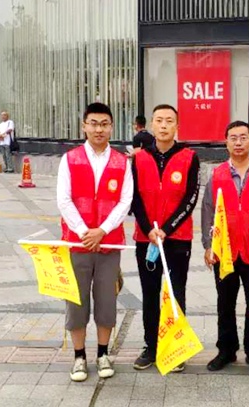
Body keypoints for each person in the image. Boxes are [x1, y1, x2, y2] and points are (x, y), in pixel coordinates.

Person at [57, 102, 134, 382]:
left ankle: (103, 354)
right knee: (76, 301)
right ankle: (79, 357)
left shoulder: (122, 162)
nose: (99, 129)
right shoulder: (70, 159)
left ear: (111, 127)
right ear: (84, 126)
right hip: (77, 244)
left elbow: (125, 201)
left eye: (104, 124)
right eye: (93, 123)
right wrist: (84, 231)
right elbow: (63, 200)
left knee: (106, 301)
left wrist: (101, 230)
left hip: (109, 244)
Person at [201, 121, 249, 376]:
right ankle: (226, 350)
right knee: (225, 303)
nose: (238, 142)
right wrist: (208, 246)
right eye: (233, 138)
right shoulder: (217, 175)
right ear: (226, 142)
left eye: (243, 137)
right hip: (225, 250)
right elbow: (207, 210)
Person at [131, 104, 200, 372]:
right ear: (152, 124)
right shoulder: (139, 158)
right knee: (149, 294)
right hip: (146, 238)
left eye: (169, 121)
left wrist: (167, 229)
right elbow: (134, 198)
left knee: (175, 293)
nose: (163, 125)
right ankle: (151, 346)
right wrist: (149, 229)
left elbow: (191, 198)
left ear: (177, 126)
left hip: (178, 238)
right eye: (159, 120)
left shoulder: (189, 157)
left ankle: (174, 347)